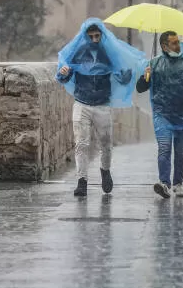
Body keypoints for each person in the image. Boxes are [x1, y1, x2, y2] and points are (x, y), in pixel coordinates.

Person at [57, 18, 143, 197]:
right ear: (85, 37)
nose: (95, 39)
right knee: (81, 143)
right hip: (82, 102)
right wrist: (63, 73)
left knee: (106, 144)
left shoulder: (109, 53)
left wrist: (127, 73)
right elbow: (64, 75)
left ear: (102, 35)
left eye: (97, 36)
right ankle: (82, 182)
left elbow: (123, 78)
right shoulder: (77, 52)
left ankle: (105, 171)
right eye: (91, 36)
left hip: (103, 104)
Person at [136, 31, 183, 199]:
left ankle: (178, 183)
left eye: (178, 42)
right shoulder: (154, 64)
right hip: (162, 114)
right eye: (174, 43)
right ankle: (165, 184)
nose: (178, 45)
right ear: (164, 46)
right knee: (164, 148)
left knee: (180, 152)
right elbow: (140, 88)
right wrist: (146, 78)